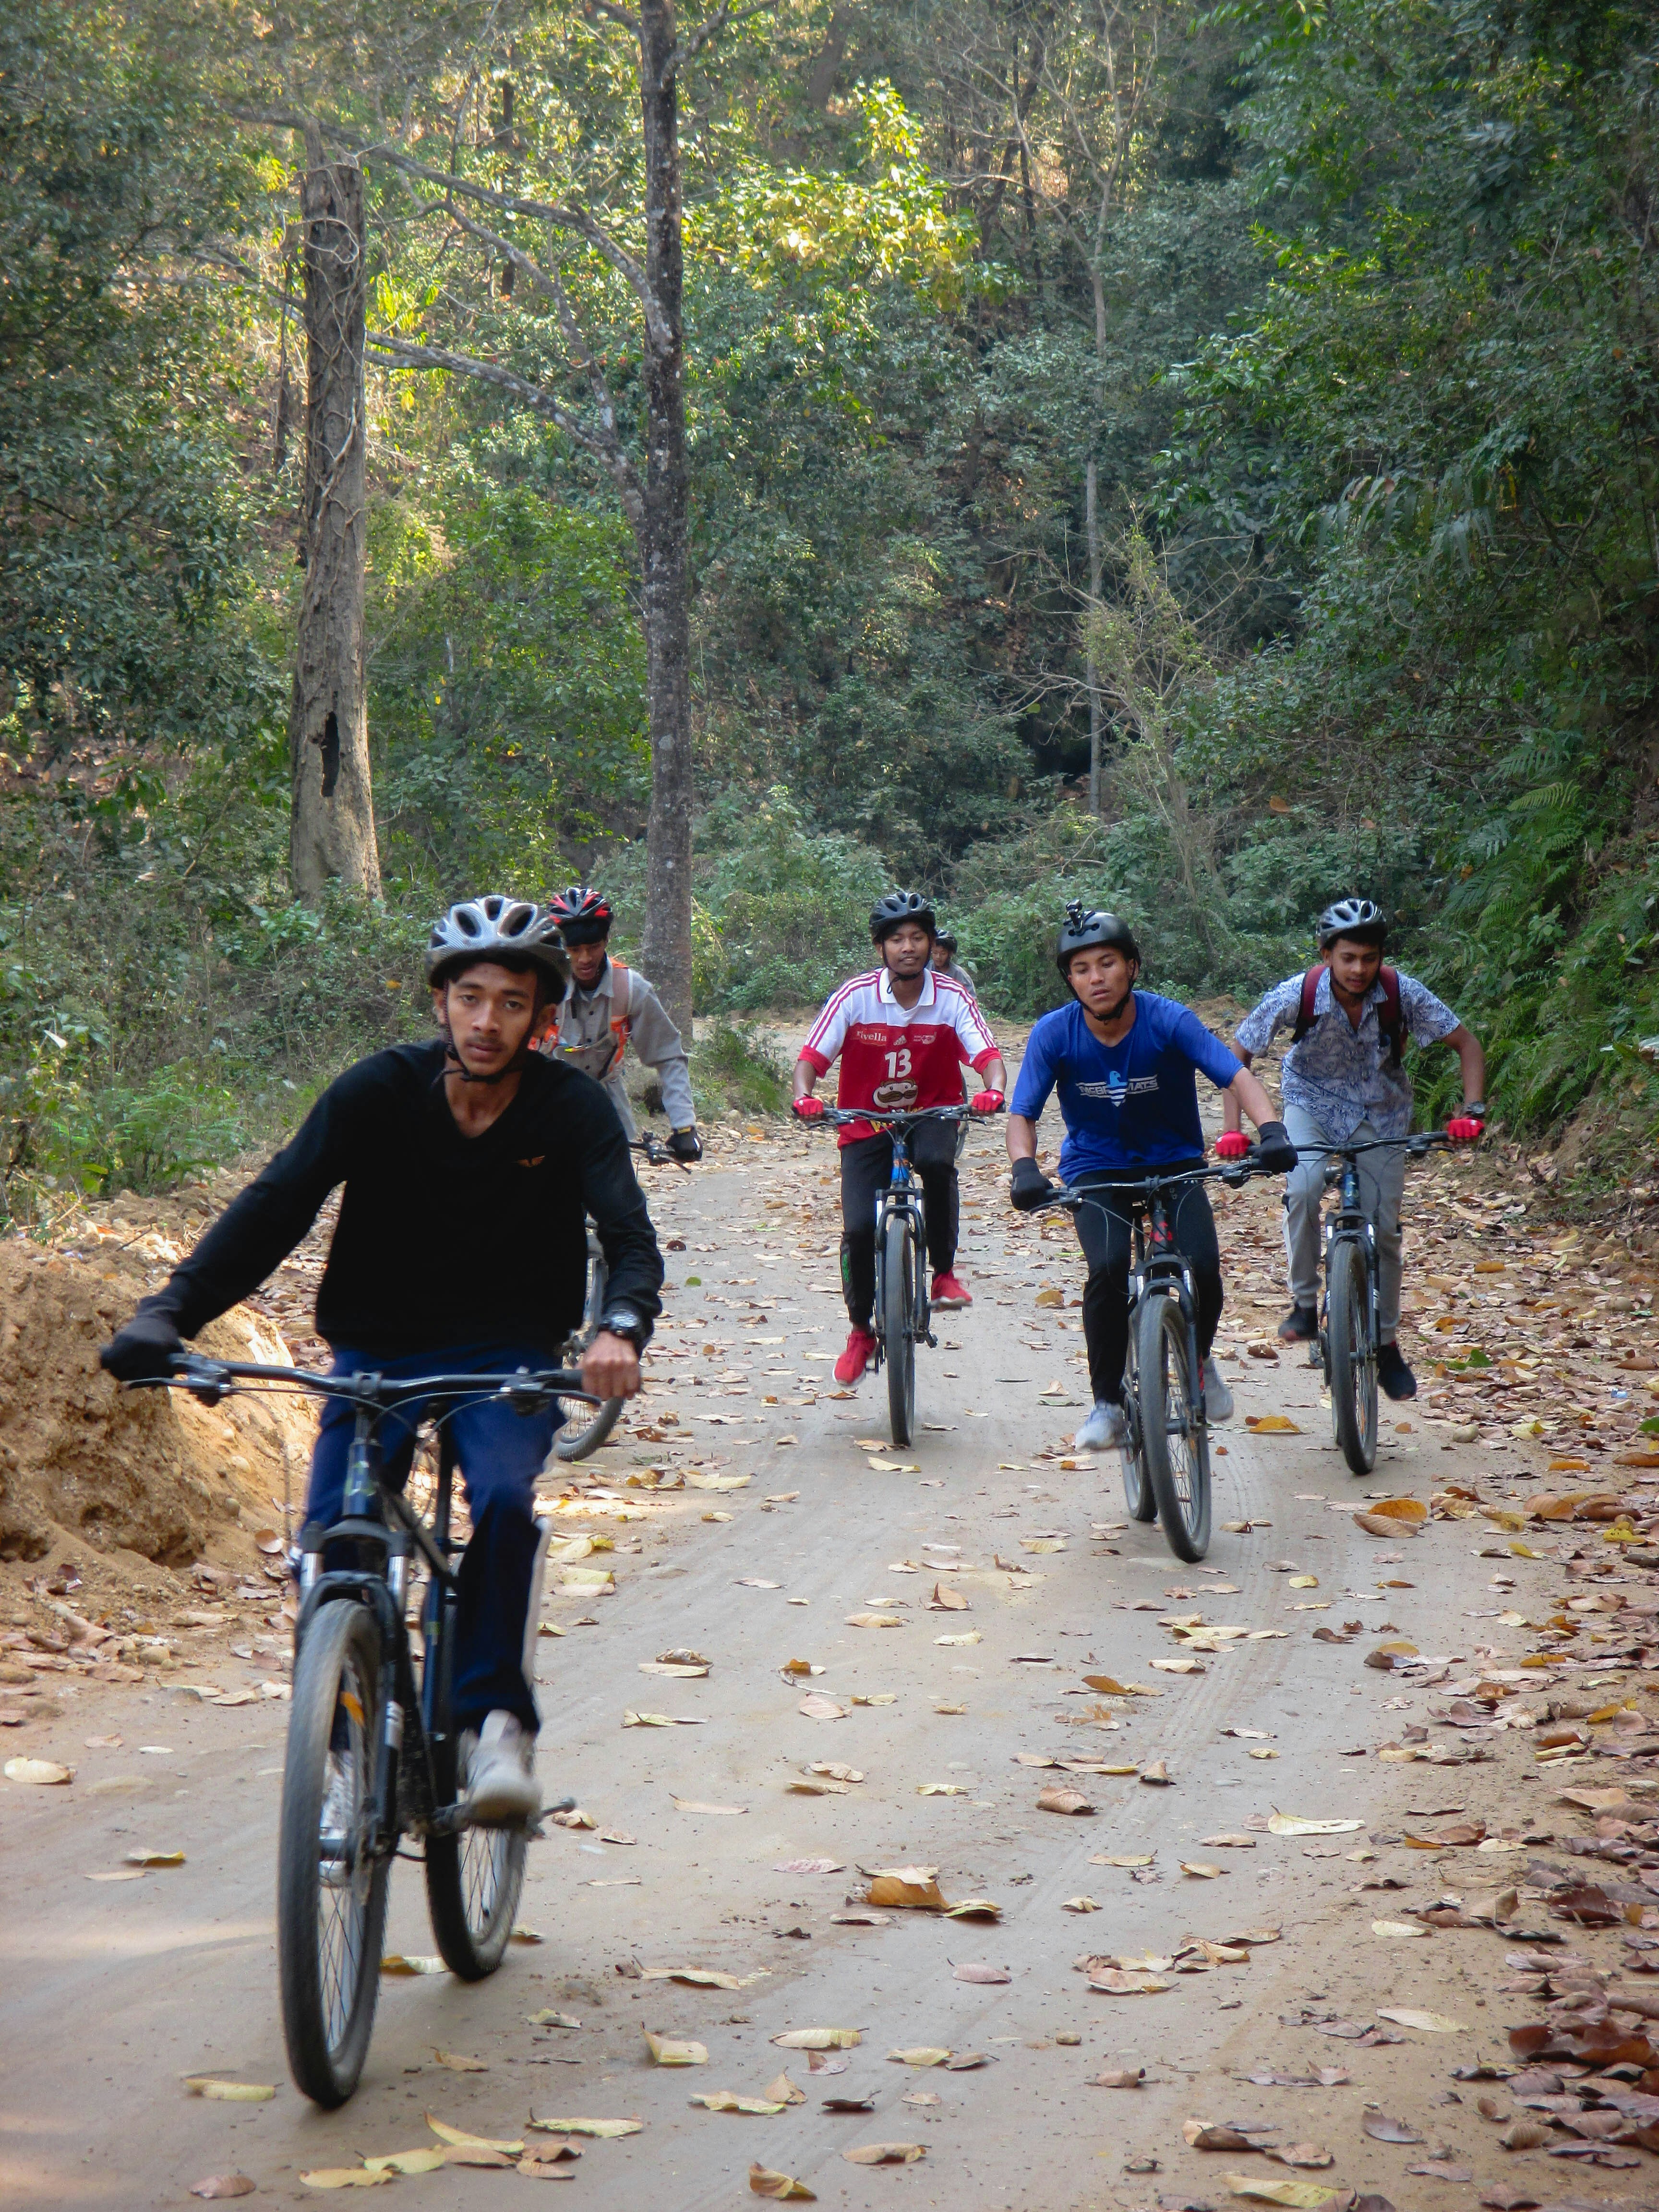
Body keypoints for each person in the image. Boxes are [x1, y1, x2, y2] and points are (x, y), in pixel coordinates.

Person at [99, 896, 663, 1824]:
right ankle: (345, 1738)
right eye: (471, 997)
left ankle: (494, 1726)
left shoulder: (572, 1109)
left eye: (512, 1003)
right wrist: (169, 1311)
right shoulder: (376, 1091)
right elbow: (276, 1206)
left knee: (504, 1498)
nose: (488, 1021)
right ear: (440, 1001)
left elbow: (629, 1237)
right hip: (377, 1345)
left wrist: (621, 1327)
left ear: (541, 1017)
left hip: (508, 1352)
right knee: (338, 1544)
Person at [1006, 903, 1297, 1452]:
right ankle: (1108, 1406)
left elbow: (1233, 1074)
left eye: (1108, 963)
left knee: (1204, 1269)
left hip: (1175, 1163)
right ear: (1069, 979)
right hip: (1096, 1170)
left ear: (1133, 967)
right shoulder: (1054, 1034)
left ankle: (1200, 1359)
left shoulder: (1169, 1020)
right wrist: (1024, 1167)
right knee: (1110, 1268)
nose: (1097, 978)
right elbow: (1023, 1112)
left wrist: (1273, 1130)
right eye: (1082, 969)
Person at [1226, 896, 1486, 1401]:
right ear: (1326, 954)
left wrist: (1471, 1112)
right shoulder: (1295, 994)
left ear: (1381, 956)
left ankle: (1386, 1343)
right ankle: (1304, 1303)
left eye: (1369, 958)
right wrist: (1237, 1131)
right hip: (1310, 1105)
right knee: (1301, 1190)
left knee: (1385, 1230)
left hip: (1381, 1113)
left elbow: (1467, 1046)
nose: (1359, 969)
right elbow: (1237, 1055)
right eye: (1348, 957)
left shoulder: (1400, 992)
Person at [793, 890, 1007, 1381]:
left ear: (933, 946)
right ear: (880, 949)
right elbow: (810, 1062)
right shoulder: (854, 997)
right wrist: (805, 1096)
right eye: (896, 939)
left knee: (936, 1164)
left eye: (917, 938)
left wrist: (992, 1090)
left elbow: (987, 1056)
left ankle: (945, 1273)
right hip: (863, 1120)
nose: (908, 947)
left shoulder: (952, 998)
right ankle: (860, 1331)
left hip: (934, 1113)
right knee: (859, 1230)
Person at [543, 885, 702, 1162]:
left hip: (608, 1097)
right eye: (574, 949)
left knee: (621, 1193)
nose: (584, 959)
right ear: (562, 948)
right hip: (548, 1097)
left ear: (606, 940)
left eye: (593, 947)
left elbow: (668, 1055)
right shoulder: (543, 989)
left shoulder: (631, 988)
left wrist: (684, 1126)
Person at [930, 929, 977, 996]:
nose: (938, 957)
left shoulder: (959, 974)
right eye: (935, 953)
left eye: (943, 953)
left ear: (950, 954)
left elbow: (971, 999)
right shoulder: (926, 970)